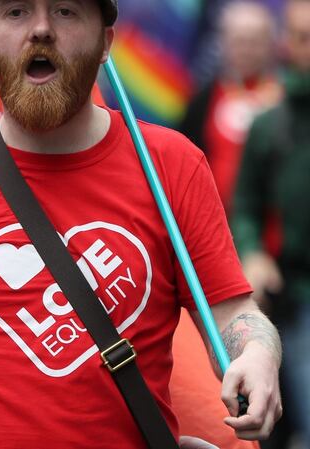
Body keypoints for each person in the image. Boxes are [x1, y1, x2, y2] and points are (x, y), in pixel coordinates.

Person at [0, 1, 282, 448]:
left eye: (66, 11)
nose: (40, 29)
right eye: (16, 12)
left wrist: (259, 354)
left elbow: (232, 312)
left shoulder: (172, 166)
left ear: (105, 44)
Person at [233, 0, 310, 445]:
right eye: (301, 37)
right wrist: (254, 251)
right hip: (294, 295)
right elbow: (245, 204)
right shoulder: (270, 125)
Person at [179, 1, 281, 213]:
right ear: (224, 44)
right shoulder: (201, 101)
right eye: (239, 42)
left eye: (255, 42)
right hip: (213, 219)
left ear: (271, 45)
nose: (246, 50)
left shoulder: (286, 99)